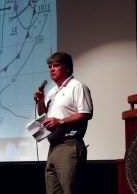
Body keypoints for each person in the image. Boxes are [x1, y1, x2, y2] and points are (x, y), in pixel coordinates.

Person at [34, 52, 93, 194]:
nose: (51, 69)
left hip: (69, 146)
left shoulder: (77, 86)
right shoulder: (52, 92)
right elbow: (45, 116)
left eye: (56, 65)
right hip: (53, 147)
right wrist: (41, 101)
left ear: (67, 68)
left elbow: (86, 113)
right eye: (49, 66)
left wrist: (60, 121)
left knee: (70, 191)